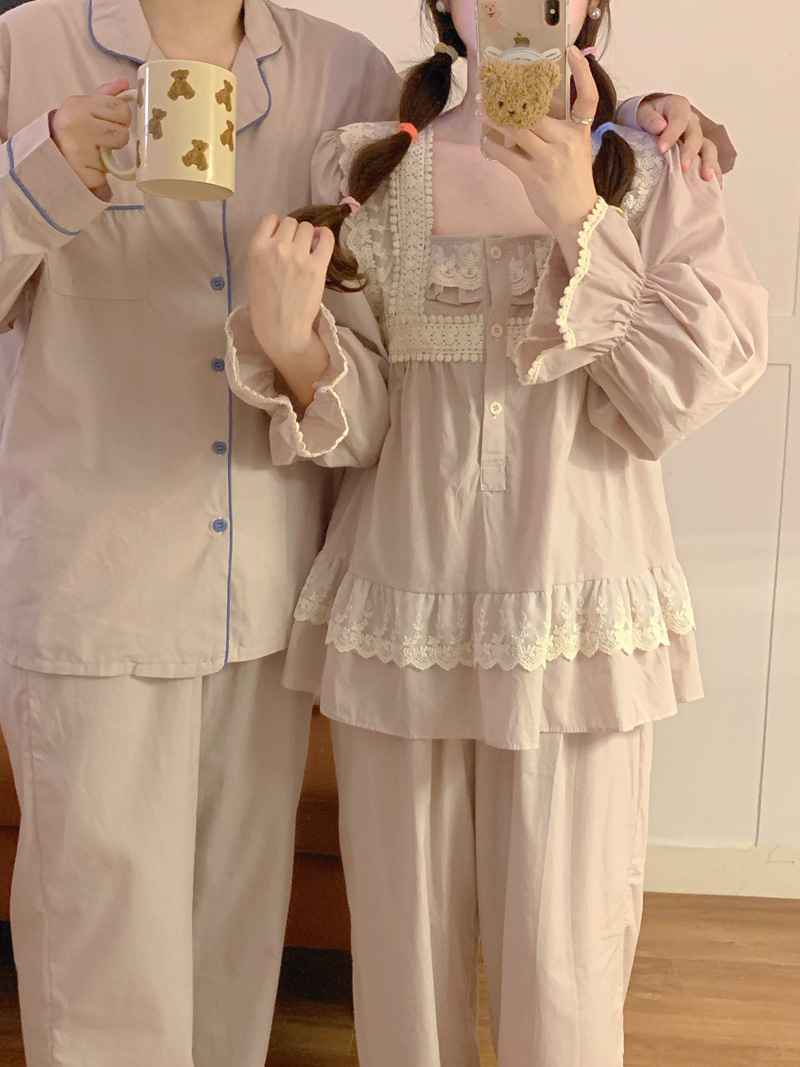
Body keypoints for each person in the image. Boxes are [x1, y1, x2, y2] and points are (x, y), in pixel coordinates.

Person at [227, 0, 768, 1064]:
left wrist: (580, 219)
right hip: (402, 605)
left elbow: (684, 388)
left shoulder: (654, 170)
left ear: (590, 8)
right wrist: (293, 347)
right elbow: (365, 426)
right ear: (444, 6)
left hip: (578, 614)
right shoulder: (372, 170)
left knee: (566, 966)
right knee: (402, 966)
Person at [0, 1, 401, 1064]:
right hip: (94, 587)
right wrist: (46, 167)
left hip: (264, 598)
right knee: (100, 973)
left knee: (232, 969)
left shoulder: (347, 75)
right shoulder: (24, 47)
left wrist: (296, 347)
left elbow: (379, 377)